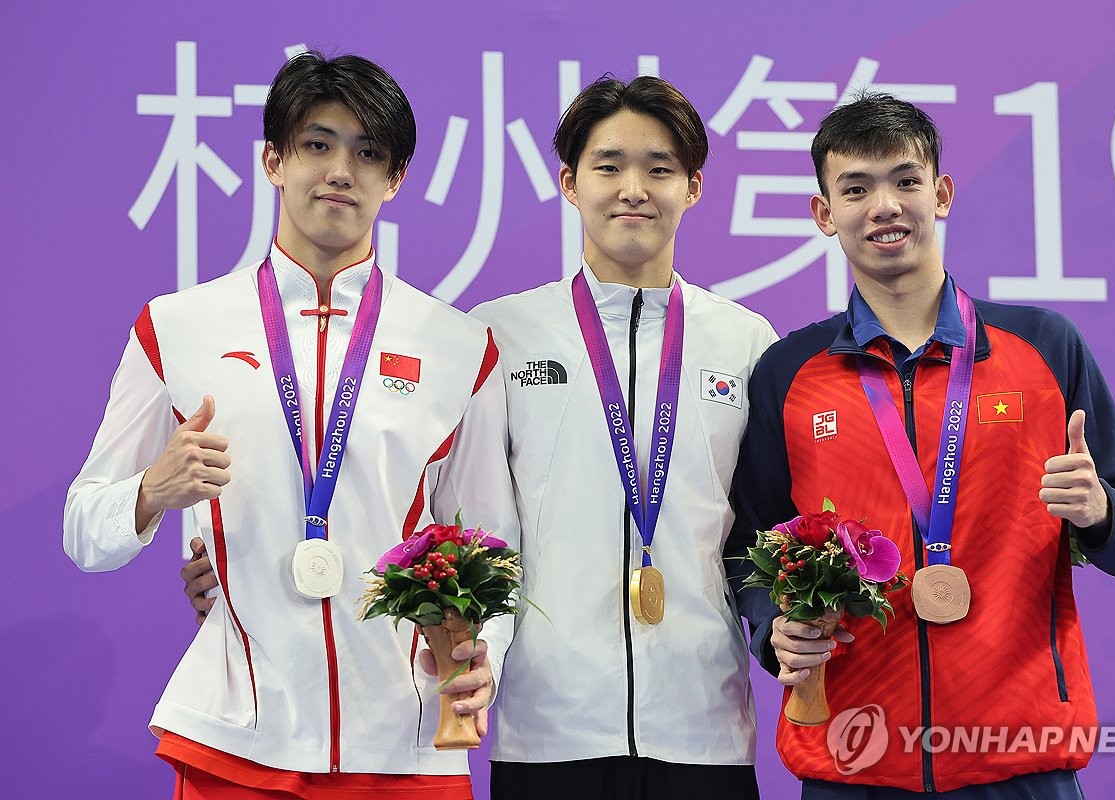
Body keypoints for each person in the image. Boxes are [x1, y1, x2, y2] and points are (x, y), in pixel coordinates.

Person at [64, 51, 517, 799]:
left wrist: (482, 655)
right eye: (317, 143)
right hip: (235, 738)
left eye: (368, 152)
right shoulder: (177, 327)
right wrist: (152, 489)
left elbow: (493, 546)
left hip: (402, 745)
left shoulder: (459, 347)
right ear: (273, 160)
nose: (341, 169)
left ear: (394, 179)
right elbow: (85, 529)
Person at [725, 92, 1115, 798]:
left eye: (905, 180)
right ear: (824, 213)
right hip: (852, 758)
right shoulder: (789, 372)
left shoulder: (1045, 347)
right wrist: (776, 624)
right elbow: (747, 542)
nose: (884, 206)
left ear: (942, 193)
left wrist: (1099, 509)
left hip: (1019, 759)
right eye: (855, 188)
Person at [464, 75, 777, 800]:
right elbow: (470, 524)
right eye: (609, 166)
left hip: (704, 730)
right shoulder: (499, 335)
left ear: (693, 187)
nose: (633, 187)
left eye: (660, 168)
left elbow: (762, 531)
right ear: (571, 183)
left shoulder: (746, 342)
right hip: (549, 729)